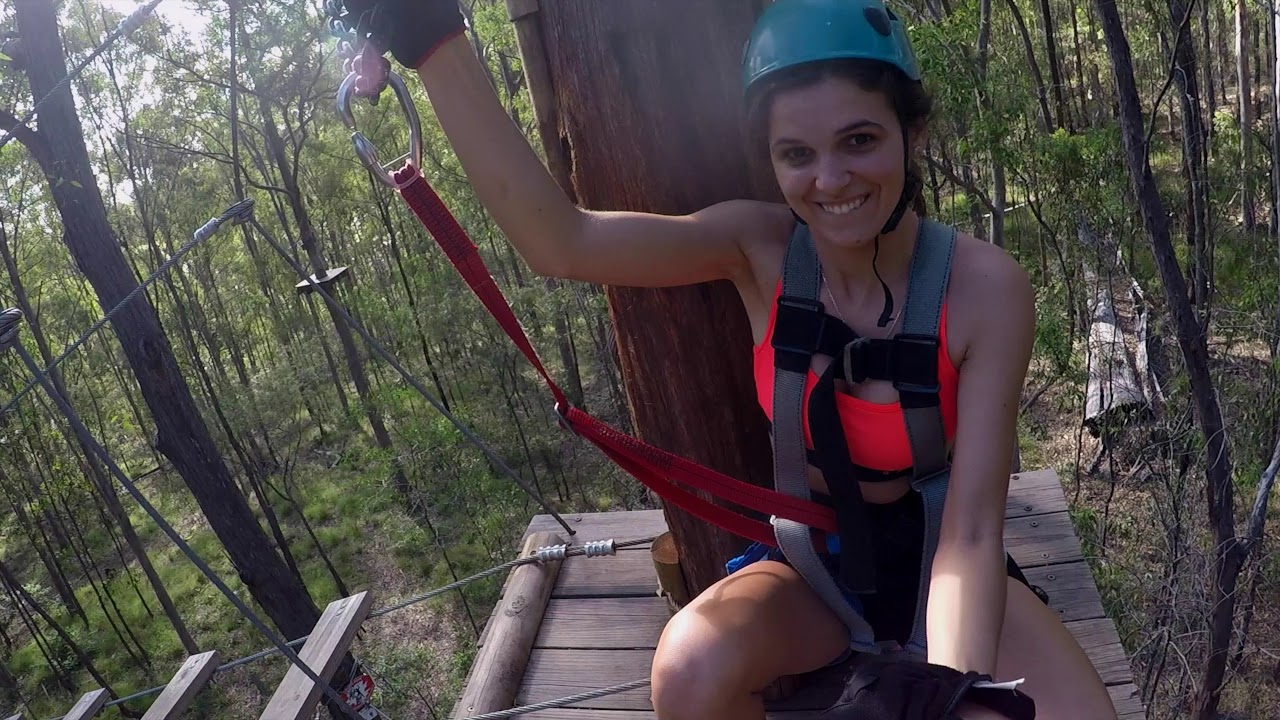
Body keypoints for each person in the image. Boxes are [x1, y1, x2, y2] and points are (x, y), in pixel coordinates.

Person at [337, 0, 1118, 718]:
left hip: (945, 560)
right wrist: (435, 41)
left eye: (860, 140)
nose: (832, 179)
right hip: (819, 564)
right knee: (688, 668)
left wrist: (942, 693)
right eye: (796, 153)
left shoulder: (985, 290)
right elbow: (561, 242)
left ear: (911, 134)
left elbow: (973, 533)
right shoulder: (758, 249)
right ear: (771, 161)